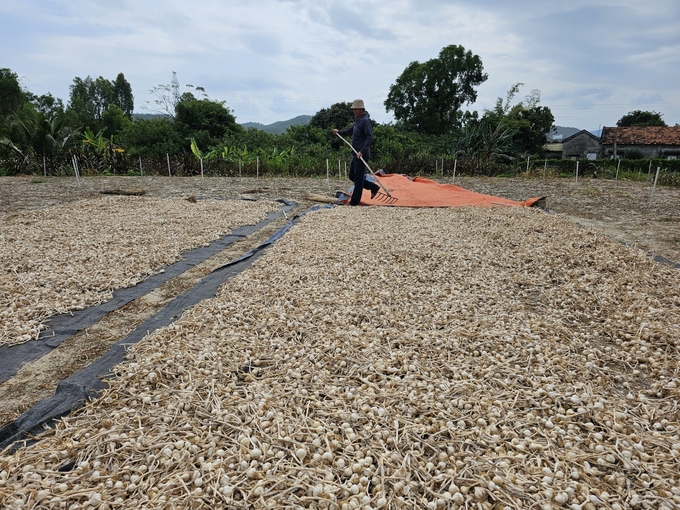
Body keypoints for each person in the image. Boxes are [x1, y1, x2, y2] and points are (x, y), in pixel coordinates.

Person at [332, 99, 380, 206]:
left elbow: (369, 137)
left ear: (361, 109)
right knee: (352, 176)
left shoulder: (365, 121)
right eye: (353, 109)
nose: (354, 111)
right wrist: (339, 132)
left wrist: (362, 151)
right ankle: (373, 187)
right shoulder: (358, 120)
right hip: (355, 153)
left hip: (362, 154)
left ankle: (354, 201)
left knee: (358, 178)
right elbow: (350, 131)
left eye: (356, 109)